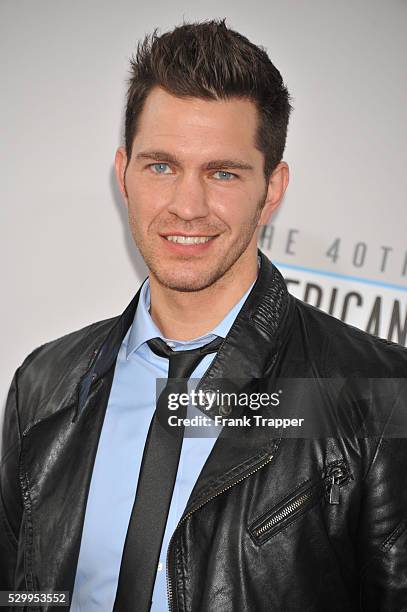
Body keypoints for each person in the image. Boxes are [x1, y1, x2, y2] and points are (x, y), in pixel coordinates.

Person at [1, 17, 406, 612]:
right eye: (161, 166)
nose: (186, 206)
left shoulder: (378, 393)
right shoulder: (44, 383)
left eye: (222, 173)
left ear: (271, 189)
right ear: (124, 175)